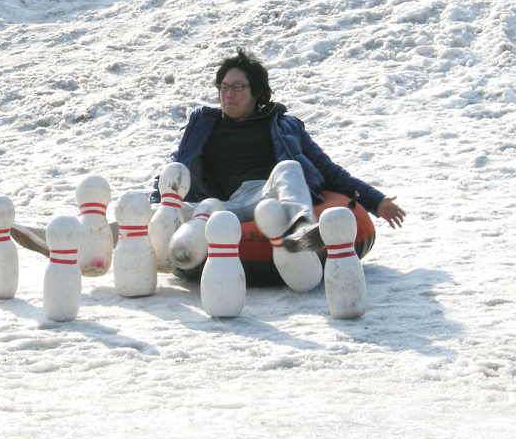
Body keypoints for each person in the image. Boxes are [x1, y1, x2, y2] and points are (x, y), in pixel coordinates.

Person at [154, 48, 406, 285]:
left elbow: (328, 171)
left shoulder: (282, 125)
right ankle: (162, 251)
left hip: (266, 196)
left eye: (238, 87)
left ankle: (301, 229)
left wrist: (376, 201)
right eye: (224, 86)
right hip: (222, 206)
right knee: (171, 210)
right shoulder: (202, 125)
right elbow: (175, 172)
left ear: (256, 91)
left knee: (289, 167)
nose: (229, 94)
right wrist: (157, 205)